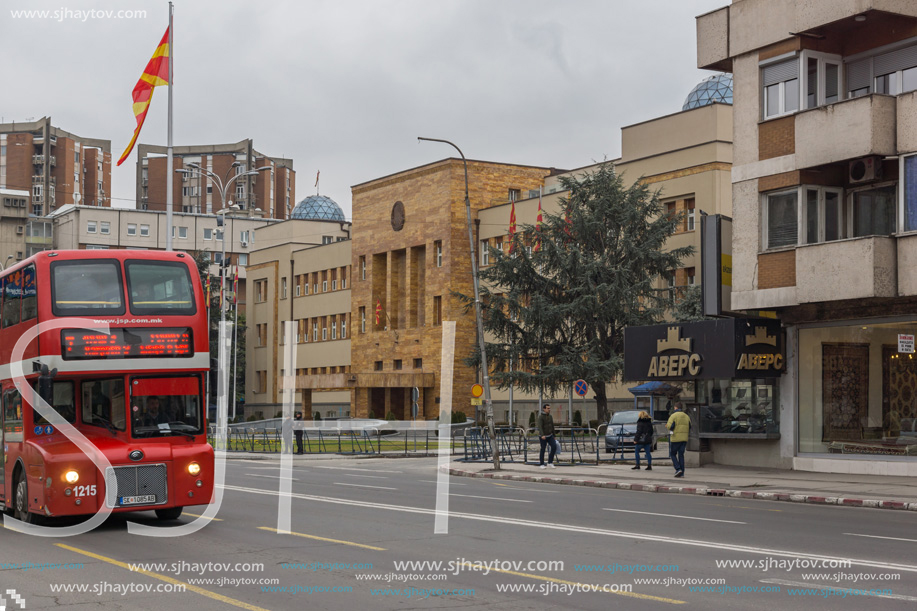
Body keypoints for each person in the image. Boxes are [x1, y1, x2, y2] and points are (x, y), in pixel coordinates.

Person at [666, 402, 691, 478]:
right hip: (684, 438)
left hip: (675, 438)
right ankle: (682, 473)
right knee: (681, 455)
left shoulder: (673, 416)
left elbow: (670, 426)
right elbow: (690, 426)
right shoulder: (686, 416)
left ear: (676, 408)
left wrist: (667, 426)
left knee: (673, 454)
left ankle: (678, 468)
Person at [537, 404, 556, 469]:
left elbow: (552, 426)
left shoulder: (550, 416)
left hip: (550, 435)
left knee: (554, 446)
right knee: (543, 449)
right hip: (543, 436)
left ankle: (550, 462)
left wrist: (554, 434)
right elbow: (540, 426)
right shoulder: (541, 417)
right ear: (544, 409)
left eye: (549, 408)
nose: (549, 410)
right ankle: (541, 464)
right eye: (548, 408)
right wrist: (542, 435)